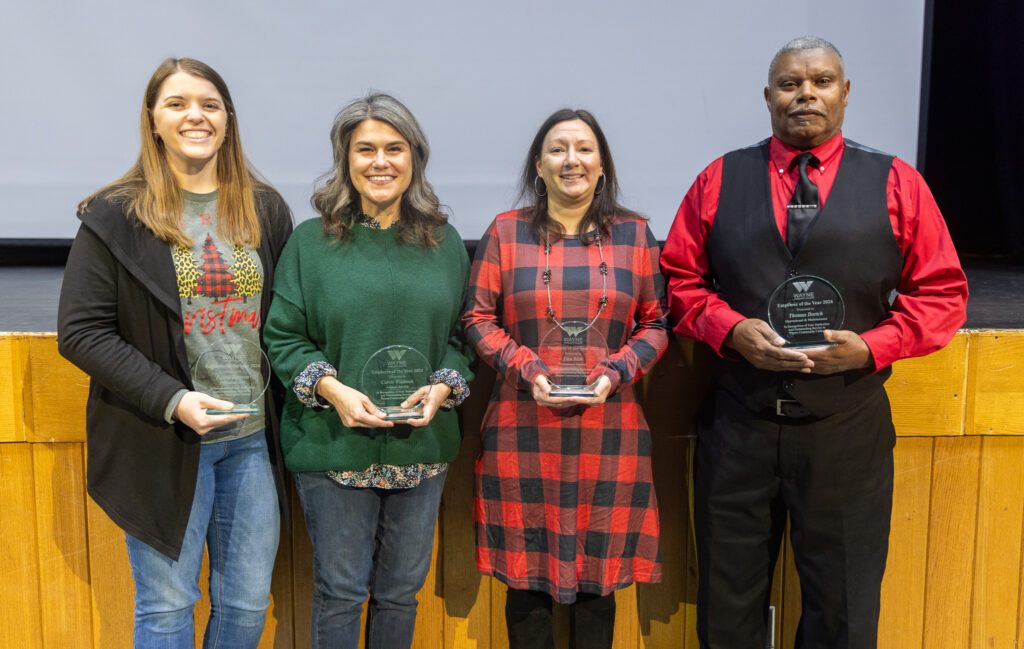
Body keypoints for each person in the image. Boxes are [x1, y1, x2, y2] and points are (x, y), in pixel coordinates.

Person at [660, 36, 968, 649]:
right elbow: (678, 280)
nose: (806, 94)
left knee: (845, 613)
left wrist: (874, 346)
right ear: (768, 97)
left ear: (845, 93)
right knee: (726, 610)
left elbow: (943, 294)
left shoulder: (897, 182)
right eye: (790, 84)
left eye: (821, 81)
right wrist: (730, 329)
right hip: (738, 428)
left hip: (845, 431)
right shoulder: (718, 179)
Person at [57, 58, 293, 648]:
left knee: (246, 604)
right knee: (168, 606)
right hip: (165, 439)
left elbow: (288, 321)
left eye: (210, 105)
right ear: (153, 120)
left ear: (228, 120)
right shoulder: (115, 215)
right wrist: (175, 399)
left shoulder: (265, 209)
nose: (196, 116)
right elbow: (82, 332)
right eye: (178, 103)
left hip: (249, 442)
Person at [263, 92, 473, 649]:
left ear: (414, 158)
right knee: (341, 594)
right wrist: (331, 390)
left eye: (394, 148)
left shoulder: (445, 243)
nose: (381, 161)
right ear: (345, 159)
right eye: (366, 149)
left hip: (420, 448)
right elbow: (283, 336)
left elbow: (460, 337)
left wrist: (443, 387)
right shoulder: (311, 243)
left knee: (401, 595)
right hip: (335, 448)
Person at [463, 108, 669, 649]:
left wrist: (617, 370)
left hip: (610, 430)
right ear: (539, 164)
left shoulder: (634, 233)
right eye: (557, 149)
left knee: (598, 591)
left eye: (584, 149)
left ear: (602, 165)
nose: (570, 160)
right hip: (521, 428)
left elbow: (656, 324)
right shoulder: (506, 232)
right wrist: (525, 367)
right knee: (525, 586)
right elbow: (478, 319)